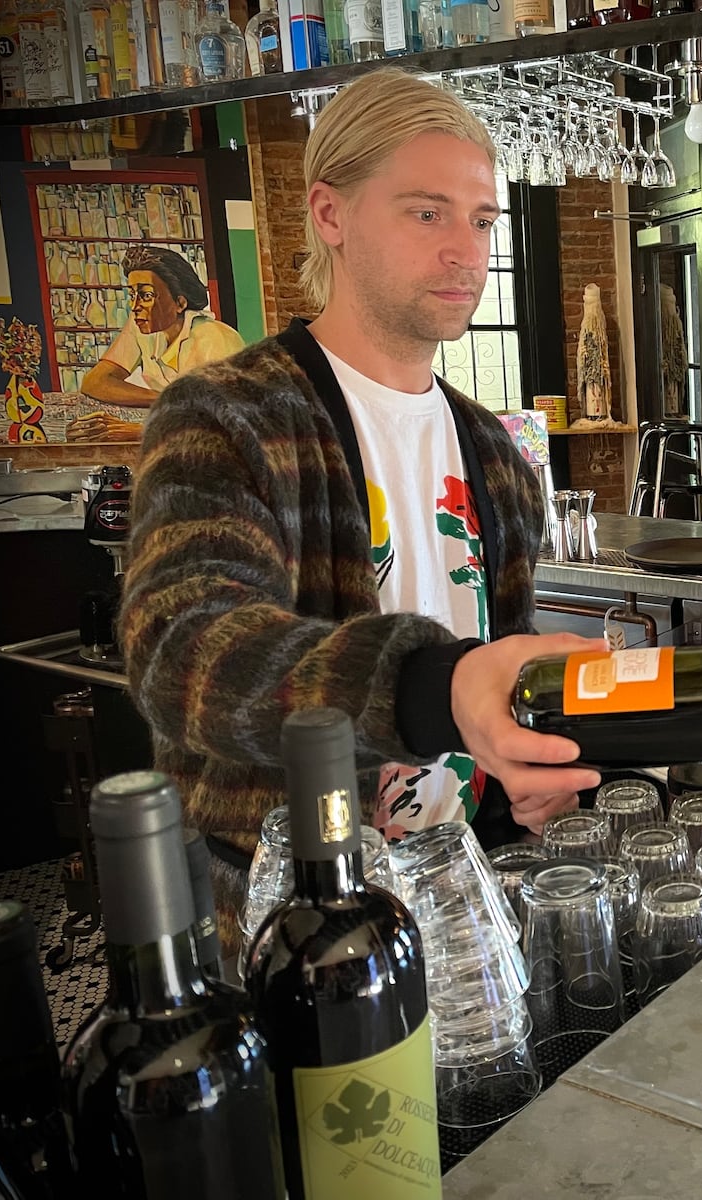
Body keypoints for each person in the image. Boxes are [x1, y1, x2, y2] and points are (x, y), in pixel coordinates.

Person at [120, 67, 602, 953]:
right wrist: (436, 688)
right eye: (426, 212)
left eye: (482, 219)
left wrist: (529, 760)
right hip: (290, 927)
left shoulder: (496, 454)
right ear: (330, 214)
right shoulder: (224, 415)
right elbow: (181, 650)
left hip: (470, 900)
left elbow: (500, 668)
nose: (468, 251)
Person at [79, 244, 245, 407]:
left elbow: (227, 414)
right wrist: (166, 400)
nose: (135, 306)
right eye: (132, 294)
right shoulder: (142, 326)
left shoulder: (215, 339)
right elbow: (95, 381)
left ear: (179, 303)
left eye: (147, 295)